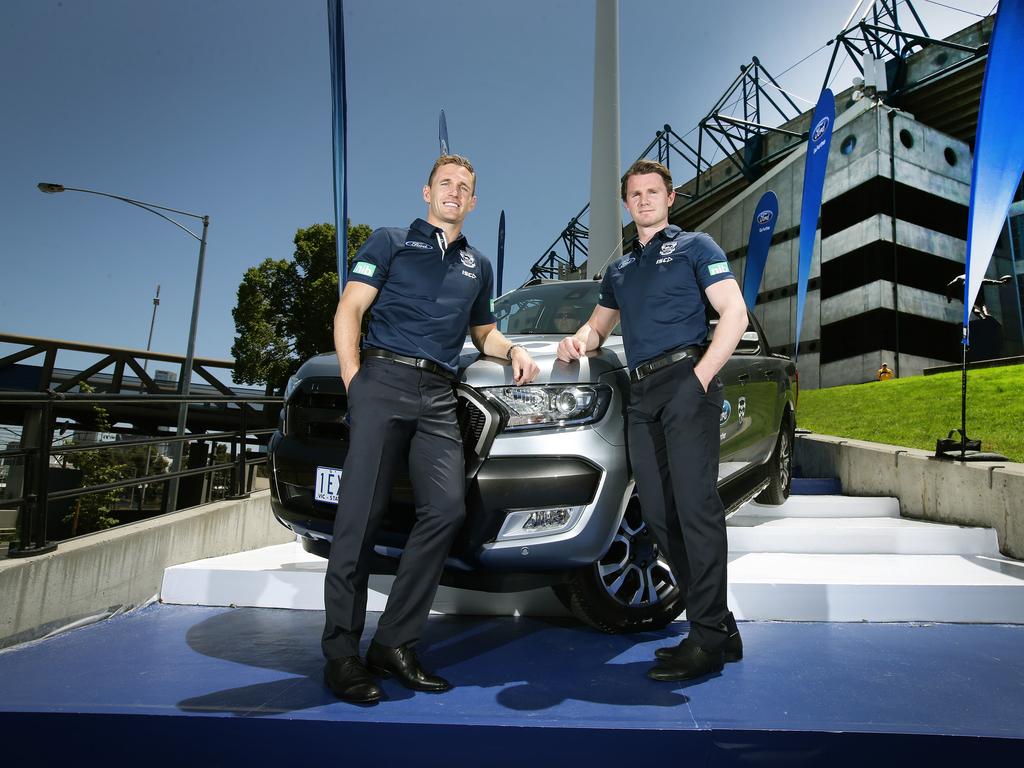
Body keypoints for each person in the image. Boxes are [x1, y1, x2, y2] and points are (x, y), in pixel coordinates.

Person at [322, 154, 540, 704]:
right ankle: (342, 654)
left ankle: (393, 643)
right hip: (383, 379)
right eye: (445, 184)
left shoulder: (478, 265)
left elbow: (484, 331)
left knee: (445, 510)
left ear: (472, 202)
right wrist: (355, 381)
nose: (453, 193)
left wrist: (512, 348)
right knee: (359, 519)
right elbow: (350, 309)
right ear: (427, 192)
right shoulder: (390, 242)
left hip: (439, 391)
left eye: (464, 188)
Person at [557, 159, 747, 682]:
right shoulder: (619, 271)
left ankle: (706, 639)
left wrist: (702, 377)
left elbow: (734, 313)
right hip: (642, 392)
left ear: (670, 198)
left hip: (687, 378)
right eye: (635, 194)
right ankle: (720, 626)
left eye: (652, 192)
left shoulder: (695, 247)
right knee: (660, 516)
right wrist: (578, 341)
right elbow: (597, 330)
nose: (643, 200)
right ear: (627, 204)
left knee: (695, 509)